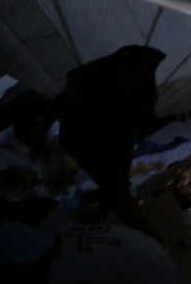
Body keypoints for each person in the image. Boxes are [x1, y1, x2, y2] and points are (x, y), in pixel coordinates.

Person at [30, 45, 167, 236]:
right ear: (125, 65)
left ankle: (102, 217)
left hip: (117, 133)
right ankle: (149, 238)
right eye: (141, 67)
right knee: (116, 187)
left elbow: (143, 109)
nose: (146, 71)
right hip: (84, 138)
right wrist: (39, 141)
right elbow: (54, 108)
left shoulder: (141, 75)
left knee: (118, 183)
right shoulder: (88, 78)